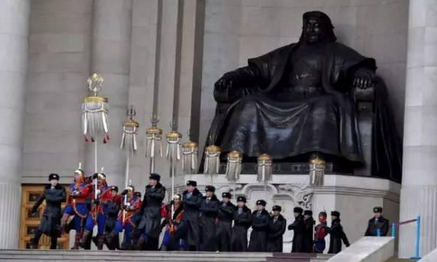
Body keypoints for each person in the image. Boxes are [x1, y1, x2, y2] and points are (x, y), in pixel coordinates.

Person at [30, 174, 66, 249]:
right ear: (50, 180)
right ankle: (35, 241)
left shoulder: (61, 188)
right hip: (47, 211)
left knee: (54, 230)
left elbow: (63, 198)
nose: (54, 181)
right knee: (41, 227)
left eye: (56, 180)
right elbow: (40, 199)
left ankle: (53, 247)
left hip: (56, 212)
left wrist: (51, 198)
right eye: (53, 180)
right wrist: (34, 209)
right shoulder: (47, 189)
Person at [61, 168, 92, 249]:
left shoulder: (86, 185)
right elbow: (70, 194)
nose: (76, 176)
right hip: (72, 204)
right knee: (65, 215)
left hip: (81, 205)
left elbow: (84, 194)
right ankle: (62, 228)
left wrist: (78, 193)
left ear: (81, 176)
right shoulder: (72, 185)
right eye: (75, 175)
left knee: (78, 226)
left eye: (78, 175)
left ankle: (76, 245)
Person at [137, 173, 166, 250]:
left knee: (150, 230)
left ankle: (144, 241)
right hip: (146, 211)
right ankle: (140, 242)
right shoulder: (148, 189)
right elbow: (145, 201)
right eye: (150, 179)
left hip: (154, 212)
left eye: (151, 180)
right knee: (141, 227)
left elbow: (161, 197)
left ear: (156, 181)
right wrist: (141, 210)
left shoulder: (161, 189)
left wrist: (151, 193)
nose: (150, 181)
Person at [106, 185, 141, 250]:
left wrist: (128, 207)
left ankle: (126, 246)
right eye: (127, 191)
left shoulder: (136, 199)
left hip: (130, 217)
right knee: (118, 226)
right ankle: (110, 237)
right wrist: (122, 193)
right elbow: (115, 197)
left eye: (130, 191)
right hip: (122, 216)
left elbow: (136, 206)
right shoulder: (123, 197)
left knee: (128, 233)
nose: (128, 193)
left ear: (133, 192)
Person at [81, 172, 109, 249]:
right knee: (88, 225)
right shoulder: (93, 187)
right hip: (93, 211)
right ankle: (83, 241)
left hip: (102, 212)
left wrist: (100, 202)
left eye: (100, 179)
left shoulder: (107, 189)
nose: (98, 180)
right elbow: (83, 185)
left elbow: (109, 201)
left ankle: (99, 247)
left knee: (101, 230)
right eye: (98, 179)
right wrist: (91, 178)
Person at [181, 180, 203, 251]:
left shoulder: (198, 194)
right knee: (186, 232)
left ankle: (196, 248)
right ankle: (186, 248)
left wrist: (187, 202)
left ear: (194, 187)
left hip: (194, 215)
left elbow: (197, 204)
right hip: (186, 215)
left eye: (189, 186)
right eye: (187, 186)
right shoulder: (184, 194)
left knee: (195, 232)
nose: (188, 188)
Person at [199, 185, 219, 251]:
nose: (207, 193)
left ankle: (210, 249)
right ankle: (204, 249)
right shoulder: (203, 199)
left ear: (212, 193)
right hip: (203, 219)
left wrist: (205, 209)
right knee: (204, 235)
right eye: (206, 191)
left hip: (211, 219)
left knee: (210, 235)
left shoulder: (215, 201)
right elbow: (200, 207)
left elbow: (215, 210)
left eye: (208, 192)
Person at [103, 186, 121, 250]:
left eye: (114, 192)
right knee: (105, 237)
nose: (112, 193)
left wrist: (107, 210)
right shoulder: (108, 200)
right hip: (107, 221)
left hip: (113, 221)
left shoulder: (118, 201)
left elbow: (115, 211)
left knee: (114, 238)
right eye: (111, 191)